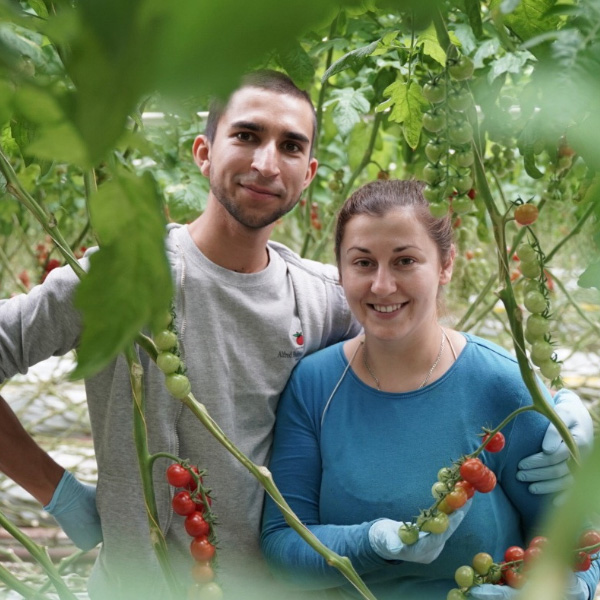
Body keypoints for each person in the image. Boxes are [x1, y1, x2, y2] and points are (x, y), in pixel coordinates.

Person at [0, 73, 592, 599]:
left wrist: (552, 405)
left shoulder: (325, 295)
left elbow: (419, 336)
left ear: (307, 174)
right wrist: (57, 491)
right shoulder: (115, 278)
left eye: (290, 146)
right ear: (203, 152)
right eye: (246, 136)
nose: (266, 163)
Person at [260, 179, 598, 600]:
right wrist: (371, 542)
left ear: (445, 265)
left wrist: (573, 589)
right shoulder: (315, 385)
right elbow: (282, 543)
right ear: (341, 269)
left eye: (405, 261)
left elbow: (579, 540)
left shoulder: (501, 384)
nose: (382, 285)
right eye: (363, 263)